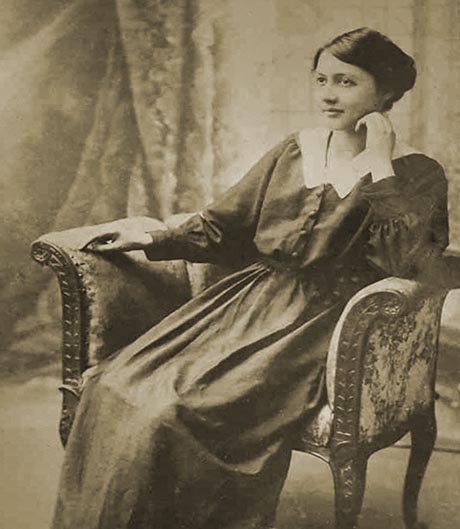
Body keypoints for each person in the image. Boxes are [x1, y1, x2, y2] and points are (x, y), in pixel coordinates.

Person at [51, 28, 449, 529]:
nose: (327, 93)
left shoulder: (416, 172)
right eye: (321, 79)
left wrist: (378, 165)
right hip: (247, 303)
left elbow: (412, 264)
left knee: (177, 411)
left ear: (386, 93)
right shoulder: (294, 150)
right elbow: (225, 225)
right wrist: (151, 240)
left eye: (346, 82)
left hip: (323, 326)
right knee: (113, 386)